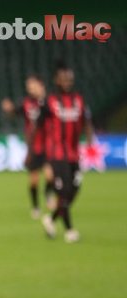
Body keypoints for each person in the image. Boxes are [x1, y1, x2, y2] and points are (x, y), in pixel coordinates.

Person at [39, 63, 93, 243]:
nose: (67, 82)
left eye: (69, 79)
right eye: (63, 79)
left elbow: (87, 122)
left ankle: (51, 218)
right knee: (64, 192)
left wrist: (90, 142)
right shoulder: (50, 102)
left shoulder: (79, 100)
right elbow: (39, 129)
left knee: (74, 190)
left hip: (74, 154)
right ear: (56, 80)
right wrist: (45, 161)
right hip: (56, 155)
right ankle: (70, 231)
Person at [1, 74, 55, 219]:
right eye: (29, 87)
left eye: (33, 86)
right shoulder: (26, 103)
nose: (31, 89)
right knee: (34, 180)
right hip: (34, 146)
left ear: (40, 85)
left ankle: (48, 194)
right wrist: (9, 110)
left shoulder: (49, 102)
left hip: (49, 145)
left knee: (50, 176)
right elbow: (14, 113)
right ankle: (36, 207)